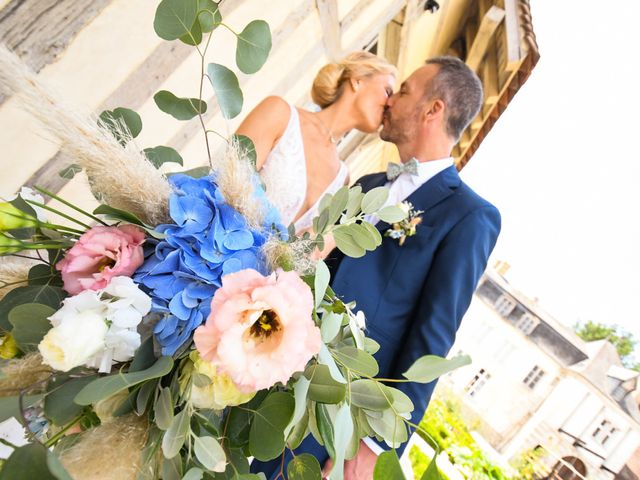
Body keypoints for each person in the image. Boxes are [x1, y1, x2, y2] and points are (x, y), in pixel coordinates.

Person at [251, 56, 501, 479]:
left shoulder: (470, 215)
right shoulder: (366, 185)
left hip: (338, 409)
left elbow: (434, 334)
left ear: (433, 109)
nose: (391, 101)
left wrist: (377, 444)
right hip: (274, 366)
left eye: (403, 91)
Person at [236, 51, 397, 233]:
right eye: (387, 91)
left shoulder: (342, 178)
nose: (390, 103)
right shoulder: (279, 114)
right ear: (357, 80)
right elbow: (224, 187)